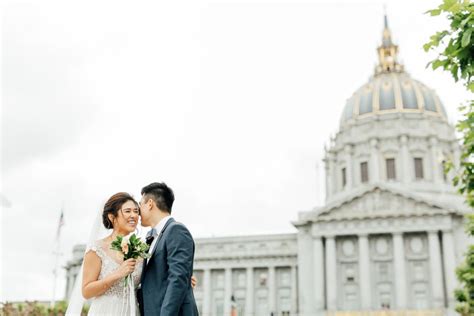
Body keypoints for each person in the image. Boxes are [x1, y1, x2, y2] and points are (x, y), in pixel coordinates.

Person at [66, 191, 196, 315]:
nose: (134, 215)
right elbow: (86, 291)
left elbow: (150, 282)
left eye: (136, 211)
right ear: (112, 217)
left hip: (133, 311)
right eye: (127, 211)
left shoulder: (141, 249)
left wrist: (181, 279)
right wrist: (117, 274)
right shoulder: (97, 249)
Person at [137, 182, 199, 315]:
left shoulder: (176, 230)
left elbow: (178, 279)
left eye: (140, 204)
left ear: (150, 204)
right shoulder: (151, 236)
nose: (137, 211)